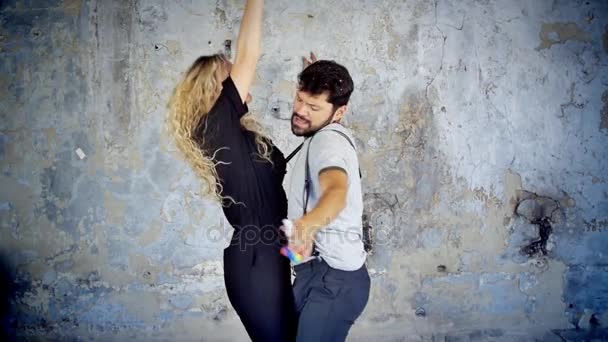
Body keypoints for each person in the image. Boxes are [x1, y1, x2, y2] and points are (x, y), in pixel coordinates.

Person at [167, 1, 296, 340]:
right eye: (231, 71)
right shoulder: (214, 123)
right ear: (215, 87)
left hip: (269, 251)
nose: (240, 72)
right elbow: (250, 53)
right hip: (256, 257)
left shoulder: (234, 133)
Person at [285, 58, 370, 341]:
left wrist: (307, 226)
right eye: (300, 99)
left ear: (339, 113)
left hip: (334, 281)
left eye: (313, 107)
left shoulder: (328, 142)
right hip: (315, 274)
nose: (300, 111)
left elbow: (336, 191)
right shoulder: (319, 132)